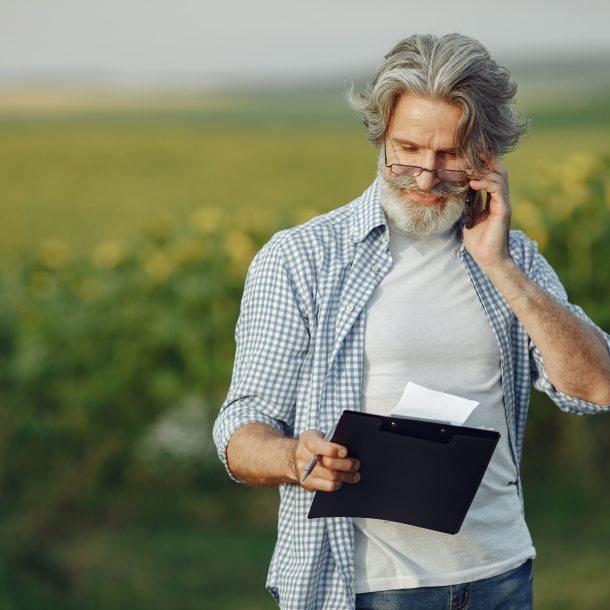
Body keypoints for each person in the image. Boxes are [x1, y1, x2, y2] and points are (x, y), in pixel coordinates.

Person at [213, 33, 610, 610]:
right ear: (379, 136)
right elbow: (241, 425)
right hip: (364, 587)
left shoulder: (514, 258)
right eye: (407, 150)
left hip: (500, 577)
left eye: (450, 155)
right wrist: (293, 459)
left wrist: (500, 266)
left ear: (486, 155)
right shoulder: (301, 259)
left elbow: (595, 386)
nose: (425, 176)